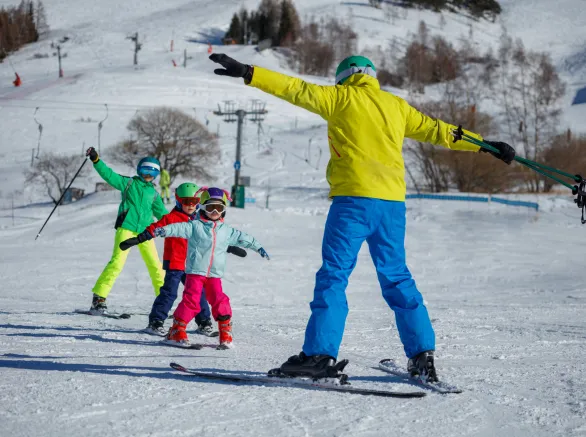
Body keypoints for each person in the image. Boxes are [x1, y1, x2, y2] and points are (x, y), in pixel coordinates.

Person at [209, 53, 516, 380]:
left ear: (342, 77)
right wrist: (485, 144)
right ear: (372, 76)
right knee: (397, 276)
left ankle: (318, 355)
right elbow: (440, 130)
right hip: (392, 206)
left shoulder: (340, 97)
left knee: (335, 275)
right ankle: (422, 355)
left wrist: (249, 72)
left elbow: (294, 88)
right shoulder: (396, 106)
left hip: (353, 202)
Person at [121, 187, 269, 349]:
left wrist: (257, 246)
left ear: (224, 210)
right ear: (203, 207)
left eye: (219, 208)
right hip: (195, 273)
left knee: (219, 299)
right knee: (191, 300)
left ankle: (225, 330)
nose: (214, 211)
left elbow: (242, 237)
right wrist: (158, 231)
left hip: (214, 274)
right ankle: (176, 330)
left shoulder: (226, 231)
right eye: (210, 206)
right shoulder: (194, 226)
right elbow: (175, 228)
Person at [86, 147, 167, 315]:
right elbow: (109, 175)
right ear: (139, 170)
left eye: (152, 172)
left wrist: (183, 223)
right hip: (126, 228)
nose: (148, 175)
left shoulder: (153, 194)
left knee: (156, 266)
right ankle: (99, 297)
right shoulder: (129, 183)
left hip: (146, 232)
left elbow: (164, 215)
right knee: (117, 263)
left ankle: (164, 300)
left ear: (156, 175)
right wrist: (96, 160)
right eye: (145, 170)